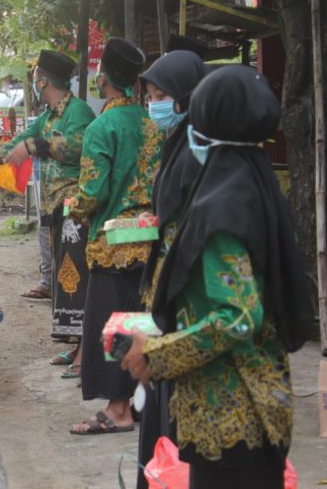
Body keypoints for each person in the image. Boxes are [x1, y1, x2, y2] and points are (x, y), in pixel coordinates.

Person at [122, 65, 313, 488]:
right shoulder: (257, 188)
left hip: (229, 411)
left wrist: (156, 354)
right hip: (263, 399)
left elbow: (237, 317)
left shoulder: (222, 210)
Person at [0, 50, 97, 375]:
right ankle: (76, 346)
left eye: (34, 78)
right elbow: (13, 144)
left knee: (77, 280)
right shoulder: (48, 117)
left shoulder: (78, 112)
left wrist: (34, 147)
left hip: (77, 210)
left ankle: (85, 354)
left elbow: (78, 146)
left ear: (42, 80)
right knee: (63, 280)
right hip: (54, 210)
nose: (32, 83)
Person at [66, 38, 163, 435]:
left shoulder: (101, 126)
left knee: (110, 324)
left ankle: (117, 409)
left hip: (111, 244)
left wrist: (74, 206)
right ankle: (140, 403)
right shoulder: (151, 124)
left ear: (102, 78)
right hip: (149, 238)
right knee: (139, 320)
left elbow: (93, 192)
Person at [134, 49, 207, 488]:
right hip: (165, 293)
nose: (155, 104)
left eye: (163, 95)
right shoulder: (175, 145)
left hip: (184, 305)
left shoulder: (199, 154)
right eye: (151, 94)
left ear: (187, 98)